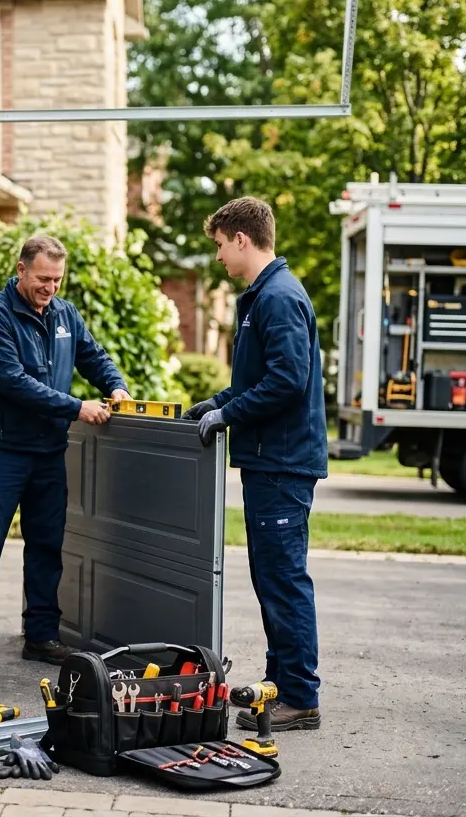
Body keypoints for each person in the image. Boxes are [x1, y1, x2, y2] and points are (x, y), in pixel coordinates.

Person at [0, 235, 131, 671]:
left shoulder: (65, 314)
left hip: (48, 450)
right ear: (21, 269)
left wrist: (114, 384)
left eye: (57, 279)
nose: (50, 287)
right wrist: (76, 407)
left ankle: (42, 636)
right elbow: (13, 382)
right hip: (1, 450)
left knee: (47, 545)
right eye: (43, 278)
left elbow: (93, 355)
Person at [185, 196, 327, 730]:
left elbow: (288, 383)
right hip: (271, 460)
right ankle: (279, 684)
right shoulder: (264, 296)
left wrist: (230, 414)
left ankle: (299, 697)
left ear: (241, 239)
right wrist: (218, 401)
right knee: (272, 579)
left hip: (283, 463)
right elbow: (261, 378)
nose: (219, 257)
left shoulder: (278, 298)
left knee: (284, 580)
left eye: (220, 245)